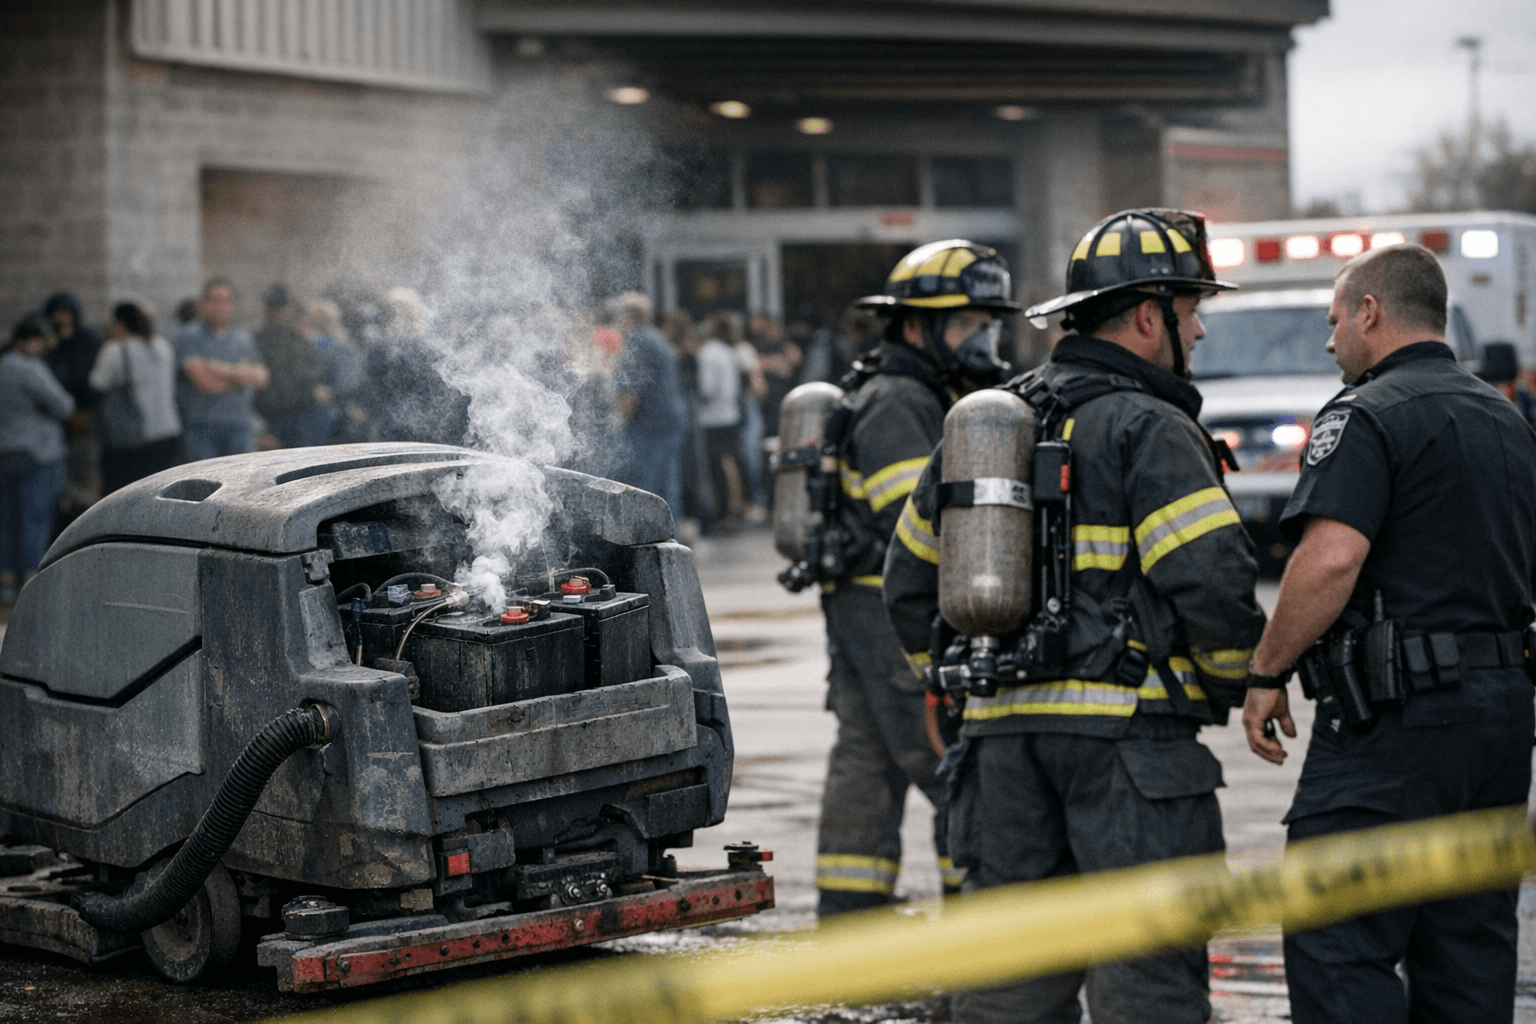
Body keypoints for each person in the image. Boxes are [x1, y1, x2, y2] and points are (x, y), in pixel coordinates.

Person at [883, 210, 1266, 1023]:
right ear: (1146, 315)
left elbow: (909, 582)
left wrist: (964, 691)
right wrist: (1234, 683)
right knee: (1146, 987)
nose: (1197, 330)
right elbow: (1213, 581)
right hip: (1132, 750)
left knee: (1009, 987)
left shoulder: (989, 422)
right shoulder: (1151, 427)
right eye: (1191, 309)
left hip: (1000, 752)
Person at [1240, 244, 1536, 1024]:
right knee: (1467, 946)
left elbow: (1330, 560)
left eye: (1335, 321)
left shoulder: (1366, 412)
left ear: (1370, 312)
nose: (1329, 340)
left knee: (1339, 934)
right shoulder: (1506, 420)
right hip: (1500, 723)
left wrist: (1267, 671)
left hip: (1397, 719)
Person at [807, 240, 1019, 918]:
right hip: (892, 614)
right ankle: (976, 913)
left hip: (862, 607)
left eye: (987, 323)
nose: (981, 338)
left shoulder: (912, 391)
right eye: (966, 324)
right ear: (913, 325)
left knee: (866, 757)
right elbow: (920, 528)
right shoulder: (899, 401)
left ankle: (851, 914)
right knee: (952, 762)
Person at [0, 317, 75, 604]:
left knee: (8, 520)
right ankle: (32, 581)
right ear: (32, 341)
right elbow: (64, 405)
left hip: (6, 452)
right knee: (35, 517)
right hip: (38, 452)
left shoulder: (4, 364)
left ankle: (6, 581)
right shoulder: (28, 367)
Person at [89, 300, 182, 493]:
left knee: (127, 495)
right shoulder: (162, 345)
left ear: (119, 324)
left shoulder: (114, 349)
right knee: (162, 495)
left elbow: (97, 384)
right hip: (168, 431)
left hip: (134, 439)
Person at [609, 291, 687, 516]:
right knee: (667, 490)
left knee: (647, 490)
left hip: (651, 428)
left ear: (626, 316)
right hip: (667, 424)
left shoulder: (639, 341)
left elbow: (631, 392)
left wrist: (616, 422)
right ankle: (671, 538)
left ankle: (654, 542)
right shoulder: (655, 337)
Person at [175, 278, 269, 461]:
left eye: (226, 301)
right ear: (203, 303)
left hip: (240, 426)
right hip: (202, 428)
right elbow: (206, 383)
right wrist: (241, 374)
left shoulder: (243, 339)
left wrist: (219, 368)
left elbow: (262, 378)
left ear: (233, 305)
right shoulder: (189, 336)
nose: (220, 307)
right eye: (214, 301)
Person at [254, 283, 333, 448]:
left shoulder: (307, 340)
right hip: (271, 415)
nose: (280, 312)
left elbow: (321, 360)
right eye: (275, 308)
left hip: (302, 415)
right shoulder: (257, 341)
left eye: (282, 308)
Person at [696, 312, 745, 533]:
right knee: (731, 460)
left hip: (713, 416)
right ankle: (736, 506)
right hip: (731, 412)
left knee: (719, 465)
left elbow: (708, 388)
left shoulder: (708, 353)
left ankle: (725, 511)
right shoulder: (728, 351)